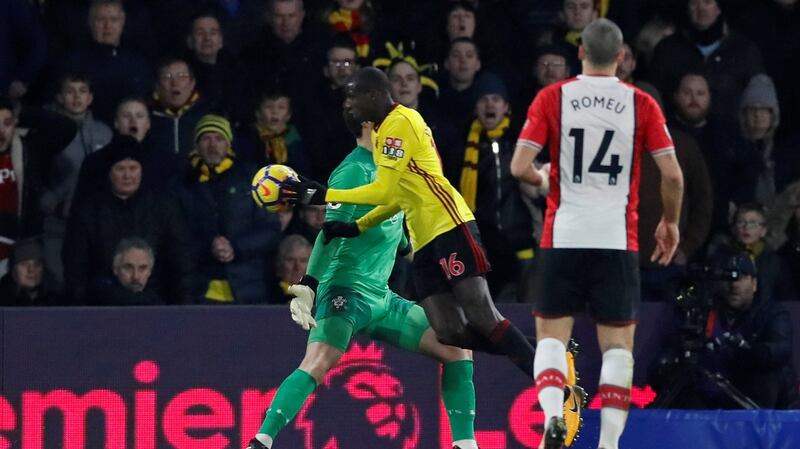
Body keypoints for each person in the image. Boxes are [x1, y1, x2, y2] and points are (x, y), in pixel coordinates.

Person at [281, 66, 583, 442]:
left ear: (374, 95)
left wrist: (324, 194)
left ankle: (555, 383)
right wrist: (357, 226)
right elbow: (397, 196)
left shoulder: (401, 122)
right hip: (423, 240)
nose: (350, 104)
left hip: (450, 225)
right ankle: (543, 359)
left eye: (353, 95)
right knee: (450, 334)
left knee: (483, 316)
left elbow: (384, 189)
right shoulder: (387, 130)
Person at [246, 114, 479, 449]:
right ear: (370, 126)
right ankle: (261, 442)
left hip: (381, 299)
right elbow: (330, 231)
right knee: (317, 362)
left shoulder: (391, 172)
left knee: (457, 346)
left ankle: (464, 444)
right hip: (345, 291)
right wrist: (310, 285)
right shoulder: (354, 170)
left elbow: (400, 243)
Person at [509, 19, 684, 449]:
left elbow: (518, 167)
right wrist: (670, 222)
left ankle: (553, 416)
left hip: (563, 236)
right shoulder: (641, 103)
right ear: (621, 58)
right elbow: (674, 176)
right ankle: (608, 444)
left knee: (552, 338)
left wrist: (545, 179)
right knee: (618, 349)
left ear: (581, 54)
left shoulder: (554, 96)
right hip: (615, 241)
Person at [179, 114, 281, 304]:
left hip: (248, 290)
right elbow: (177, 238)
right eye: (206, 138)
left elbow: (271, 230)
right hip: (198, 291)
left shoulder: (252, 178)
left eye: (219, 138)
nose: (212, 144)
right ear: (196, 145)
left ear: (228, 144)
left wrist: (237, 248)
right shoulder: (183, 183)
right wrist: (209, 248)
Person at [90, 237, 164, 305]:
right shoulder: (102, 291)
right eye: (128, 268)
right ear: (115, 269)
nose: (135, 276)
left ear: (150, 271)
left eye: (142, 268)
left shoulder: (156, 295)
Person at [0, 238, 60, 306]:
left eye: (37, 264)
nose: (31, 270)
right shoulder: (3, 301)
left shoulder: (56, 301)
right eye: (24, 264)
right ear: (13, 269)